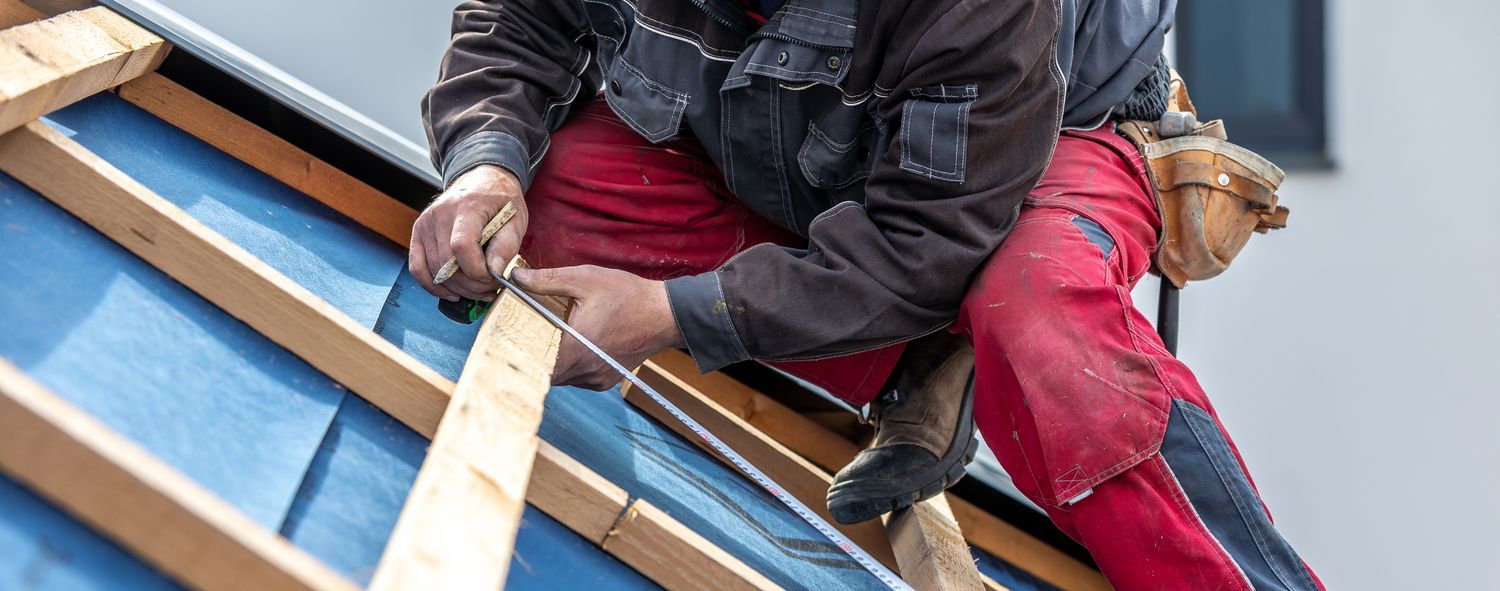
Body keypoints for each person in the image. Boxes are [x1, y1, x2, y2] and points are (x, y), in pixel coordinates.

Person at [408, 1, 1322, 588]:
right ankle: (926, 350)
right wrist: (484, 167)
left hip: (1047, 142)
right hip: (798, 148)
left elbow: (928, 233)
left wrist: (669, 312)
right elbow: (520, 22)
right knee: (555, 210)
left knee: (1041, 319)